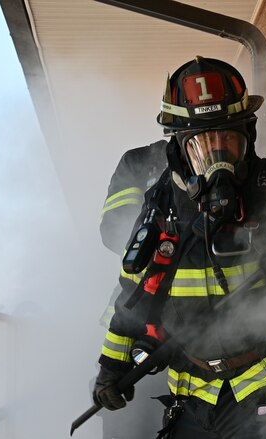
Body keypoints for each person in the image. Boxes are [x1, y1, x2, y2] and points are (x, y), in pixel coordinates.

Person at [91, 56, 266, 439]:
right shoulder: (162, 204)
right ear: (181, 150)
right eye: (203, 146)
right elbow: (135, 295)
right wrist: (111, 367)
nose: (219, 160)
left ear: (248, 137)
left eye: (228, 141)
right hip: (194, 388)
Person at [96, 142, 168, 438]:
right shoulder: (143, 160)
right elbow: (113, 228)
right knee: (131, 418)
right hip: (134, 316)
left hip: (198, 329)